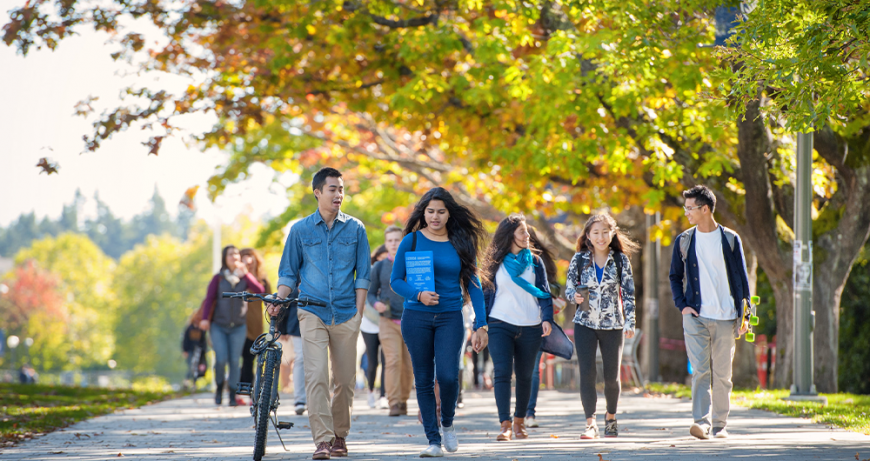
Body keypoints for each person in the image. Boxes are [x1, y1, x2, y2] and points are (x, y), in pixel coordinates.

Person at [270, 167, 371, 460]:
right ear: (317, 192)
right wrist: (279, 299)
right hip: (311, 311)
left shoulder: (356, 228)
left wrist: (358, 314)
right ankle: (323, 440)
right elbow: (288, 273)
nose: (338, 194)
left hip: (345, 313)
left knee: (345, 380)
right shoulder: (300, 230)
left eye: (341, 189)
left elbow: (363, 274)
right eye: (332, 189)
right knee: (316, 376)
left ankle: (340, 435)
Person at [390, 187, 489, 458]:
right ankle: (433, 441)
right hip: (416, 317)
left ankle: (447, 422)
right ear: (423, 212)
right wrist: (418, 294)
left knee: (447, 376)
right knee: (423, 380)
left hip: (450, 316)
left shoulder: (461, 241)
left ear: (449, 214)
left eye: (441, 211)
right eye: (430, 211)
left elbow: (474, 284)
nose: (435, 216)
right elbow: (396, 280)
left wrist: (482, 324)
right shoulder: (410, 241)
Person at [668, 185, 751, 440]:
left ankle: (720, 425)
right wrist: (683, 306)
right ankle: (701, 423)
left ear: (705, 209)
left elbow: (743, 281)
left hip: (726, 317)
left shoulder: (730, 239)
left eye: (690, 208)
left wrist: (744, 315)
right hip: (696, 317)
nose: (686, 213)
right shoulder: (684, 240)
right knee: (701, 371)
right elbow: (674, 276)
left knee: (723, 374)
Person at [481, 214, 554, 441]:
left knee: (524, 376)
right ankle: (505, 424)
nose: (527, 235)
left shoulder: (534, 261)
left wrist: (547, 318)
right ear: (509, 234)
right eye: (522, 231)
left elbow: (544, 292)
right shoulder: (495, 262)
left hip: (530, 325)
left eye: (527, 231)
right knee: (502, 373)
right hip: (499, 323)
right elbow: (484, 295)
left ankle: (520, 422)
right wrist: (480, 326)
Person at [565, 213, 638, 439]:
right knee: (587, 373)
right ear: (588, 235)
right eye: (596, 232)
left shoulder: (620, 260)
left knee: (611, 377)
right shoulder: (579, 259)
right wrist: (574, 296)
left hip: (613, 325)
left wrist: (630, 321)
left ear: (612, 233)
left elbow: (628, 293)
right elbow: (568, 289)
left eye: (605, 232)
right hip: (584, 323)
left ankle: (611, 417)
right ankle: (590, 424)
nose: (601, 237)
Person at [200, 245, 265, 406]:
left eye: (236, 254)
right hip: (219, 326)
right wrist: (205, 318)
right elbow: (209, 299)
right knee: (221, 359)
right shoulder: (219, 278)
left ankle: (231, 395)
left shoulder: (244, 278)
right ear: (225, 258)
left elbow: (260, 290)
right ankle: (220, 387)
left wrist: (247, 274)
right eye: (230, 254)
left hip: (238, 326)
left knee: (235, 361)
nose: (234, 256)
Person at [369, 225, 413, 416]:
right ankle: (393, 402)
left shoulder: (412, 263)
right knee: (393, 361)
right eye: (390, 241)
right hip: (387, 321)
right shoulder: (379, 266)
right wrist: (375, 303)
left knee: (408, 364)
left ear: (403, 241)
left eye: (397, 240)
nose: (394, 244)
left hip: (411, 320)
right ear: (386, 243)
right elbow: (370, 293)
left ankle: (403, 400)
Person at [524, 225, 564, 428]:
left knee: (532, 368)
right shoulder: (504, 259)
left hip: (538, 319)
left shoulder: (541, 260)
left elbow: (554, 286)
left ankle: (528, 413)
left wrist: (551, 297)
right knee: (518, 369)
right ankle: (516, 413)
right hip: (512, 319)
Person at [239, 248, 272, 405]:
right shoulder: (238, 279)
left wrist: (276, 325)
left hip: (256, 326)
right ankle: (242, 392)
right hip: (239, 325)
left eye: (250, 258)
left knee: (255, 360)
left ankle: (255, 391)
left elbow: (271, 302)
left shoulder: (262, 280)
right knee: (245, 359)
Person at [182, 309, 208, 389]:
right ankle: (186, 381)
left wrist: (204, 351)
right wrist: (184, 350)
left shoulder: (201, 329)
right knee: (191, 366)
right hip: (190, 351)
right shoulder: (189, 328)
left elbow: (203, 341)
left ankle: (194, 384)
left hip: (198, 352)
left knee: (196, 368)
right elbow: (185, 340)